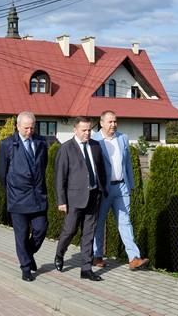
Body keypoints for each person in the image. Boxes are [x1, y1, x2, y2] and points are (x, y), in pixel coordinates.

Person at [92, 110, 149, 270]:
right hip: (104, 189)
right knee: (99, 222)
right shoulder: (94, 140)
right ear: (101, 123)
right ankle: (96, 255)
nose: (113, 124)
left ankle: (134, 258)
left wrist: (131, 185)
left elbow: (128, 163)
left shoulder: (123, 138)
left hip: (121, 187)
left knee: (125, 222)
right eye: (110, 122)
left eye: (115, 121)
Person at [0, 111, 48, 282]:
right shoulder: (7, 144)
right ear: (17, 126)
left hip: (38, 196)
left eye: (32, 128)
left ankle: (28, 253)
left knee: (41, 228)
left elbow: (43, 165)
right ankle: (25, 268)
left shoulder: (41, 142)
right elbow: (1, 172)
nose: (29, 131)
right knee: (21, 235)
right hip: (17, 198)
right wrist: (12, 189)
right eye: (26, 128)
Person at [54, 116, 107, 282]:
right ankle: (60, 253)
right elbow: (60, 177)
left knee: (89, 233)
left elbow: (101, 169)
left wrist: (101, 189)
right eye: (84, 130)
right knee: (70, 230)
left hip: (93, 196)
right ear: (75, 130)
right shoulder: (66, 148)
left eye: (89, 130)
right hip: (74, 198)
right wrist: (61, 201)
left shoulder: (95, 146)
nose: (87, 133)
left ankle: (86, 268)